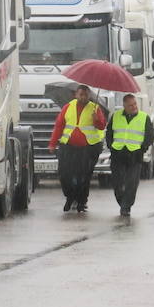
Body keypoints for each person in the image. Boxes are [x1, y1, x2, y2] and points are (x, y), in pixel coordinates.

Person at [48, 84, 107, 213]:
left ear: (89, 96)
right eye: (81, 94)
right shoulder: (68, 107)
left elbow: (102, 126)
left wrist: (97, 120)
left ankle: (81, 201)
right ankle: (70, 197)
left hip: (88, 148)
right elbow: (59, 126)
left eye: (86, 94)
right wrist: (52, 143)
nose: (83, 97)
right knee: (64, 174)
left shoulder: (95, 109)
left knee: (84, 176)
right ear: (76, 95)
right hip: (68, 146)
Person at [106, 94, 154, 217]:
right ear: (124, 106)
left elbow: (150, 136)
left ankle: (126, 207)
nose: (134, 107)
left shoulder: (144, 118)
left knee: (131, 183)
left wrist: (142, 149)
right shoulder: (115, 116)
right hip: (118, 154)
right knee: (117, 183)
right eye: (130, 105)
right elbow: (109, 133)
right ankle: (122, 202)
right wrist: (111, 146)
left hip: (135, 155)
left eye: (135, 104)